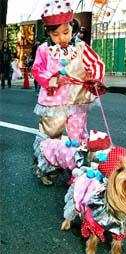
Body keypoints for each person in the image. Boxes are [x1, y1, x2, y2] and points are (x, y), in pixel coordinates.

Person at [32, 0, 106, 183]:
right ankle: (46, 168)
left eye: (66, 32)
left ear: (72, 28)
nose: (62, 38)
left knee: (79, 135)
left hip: (78, 100)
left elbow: (96, 64)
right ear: (48, 33)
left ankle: (78, 170)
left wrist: (94, 79)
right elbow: (37, 69)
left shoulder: (81, 47)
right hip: (53, 102)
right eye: (56, 34)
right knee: (50, 135)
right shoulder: (43, 50)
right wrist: (53, 79)